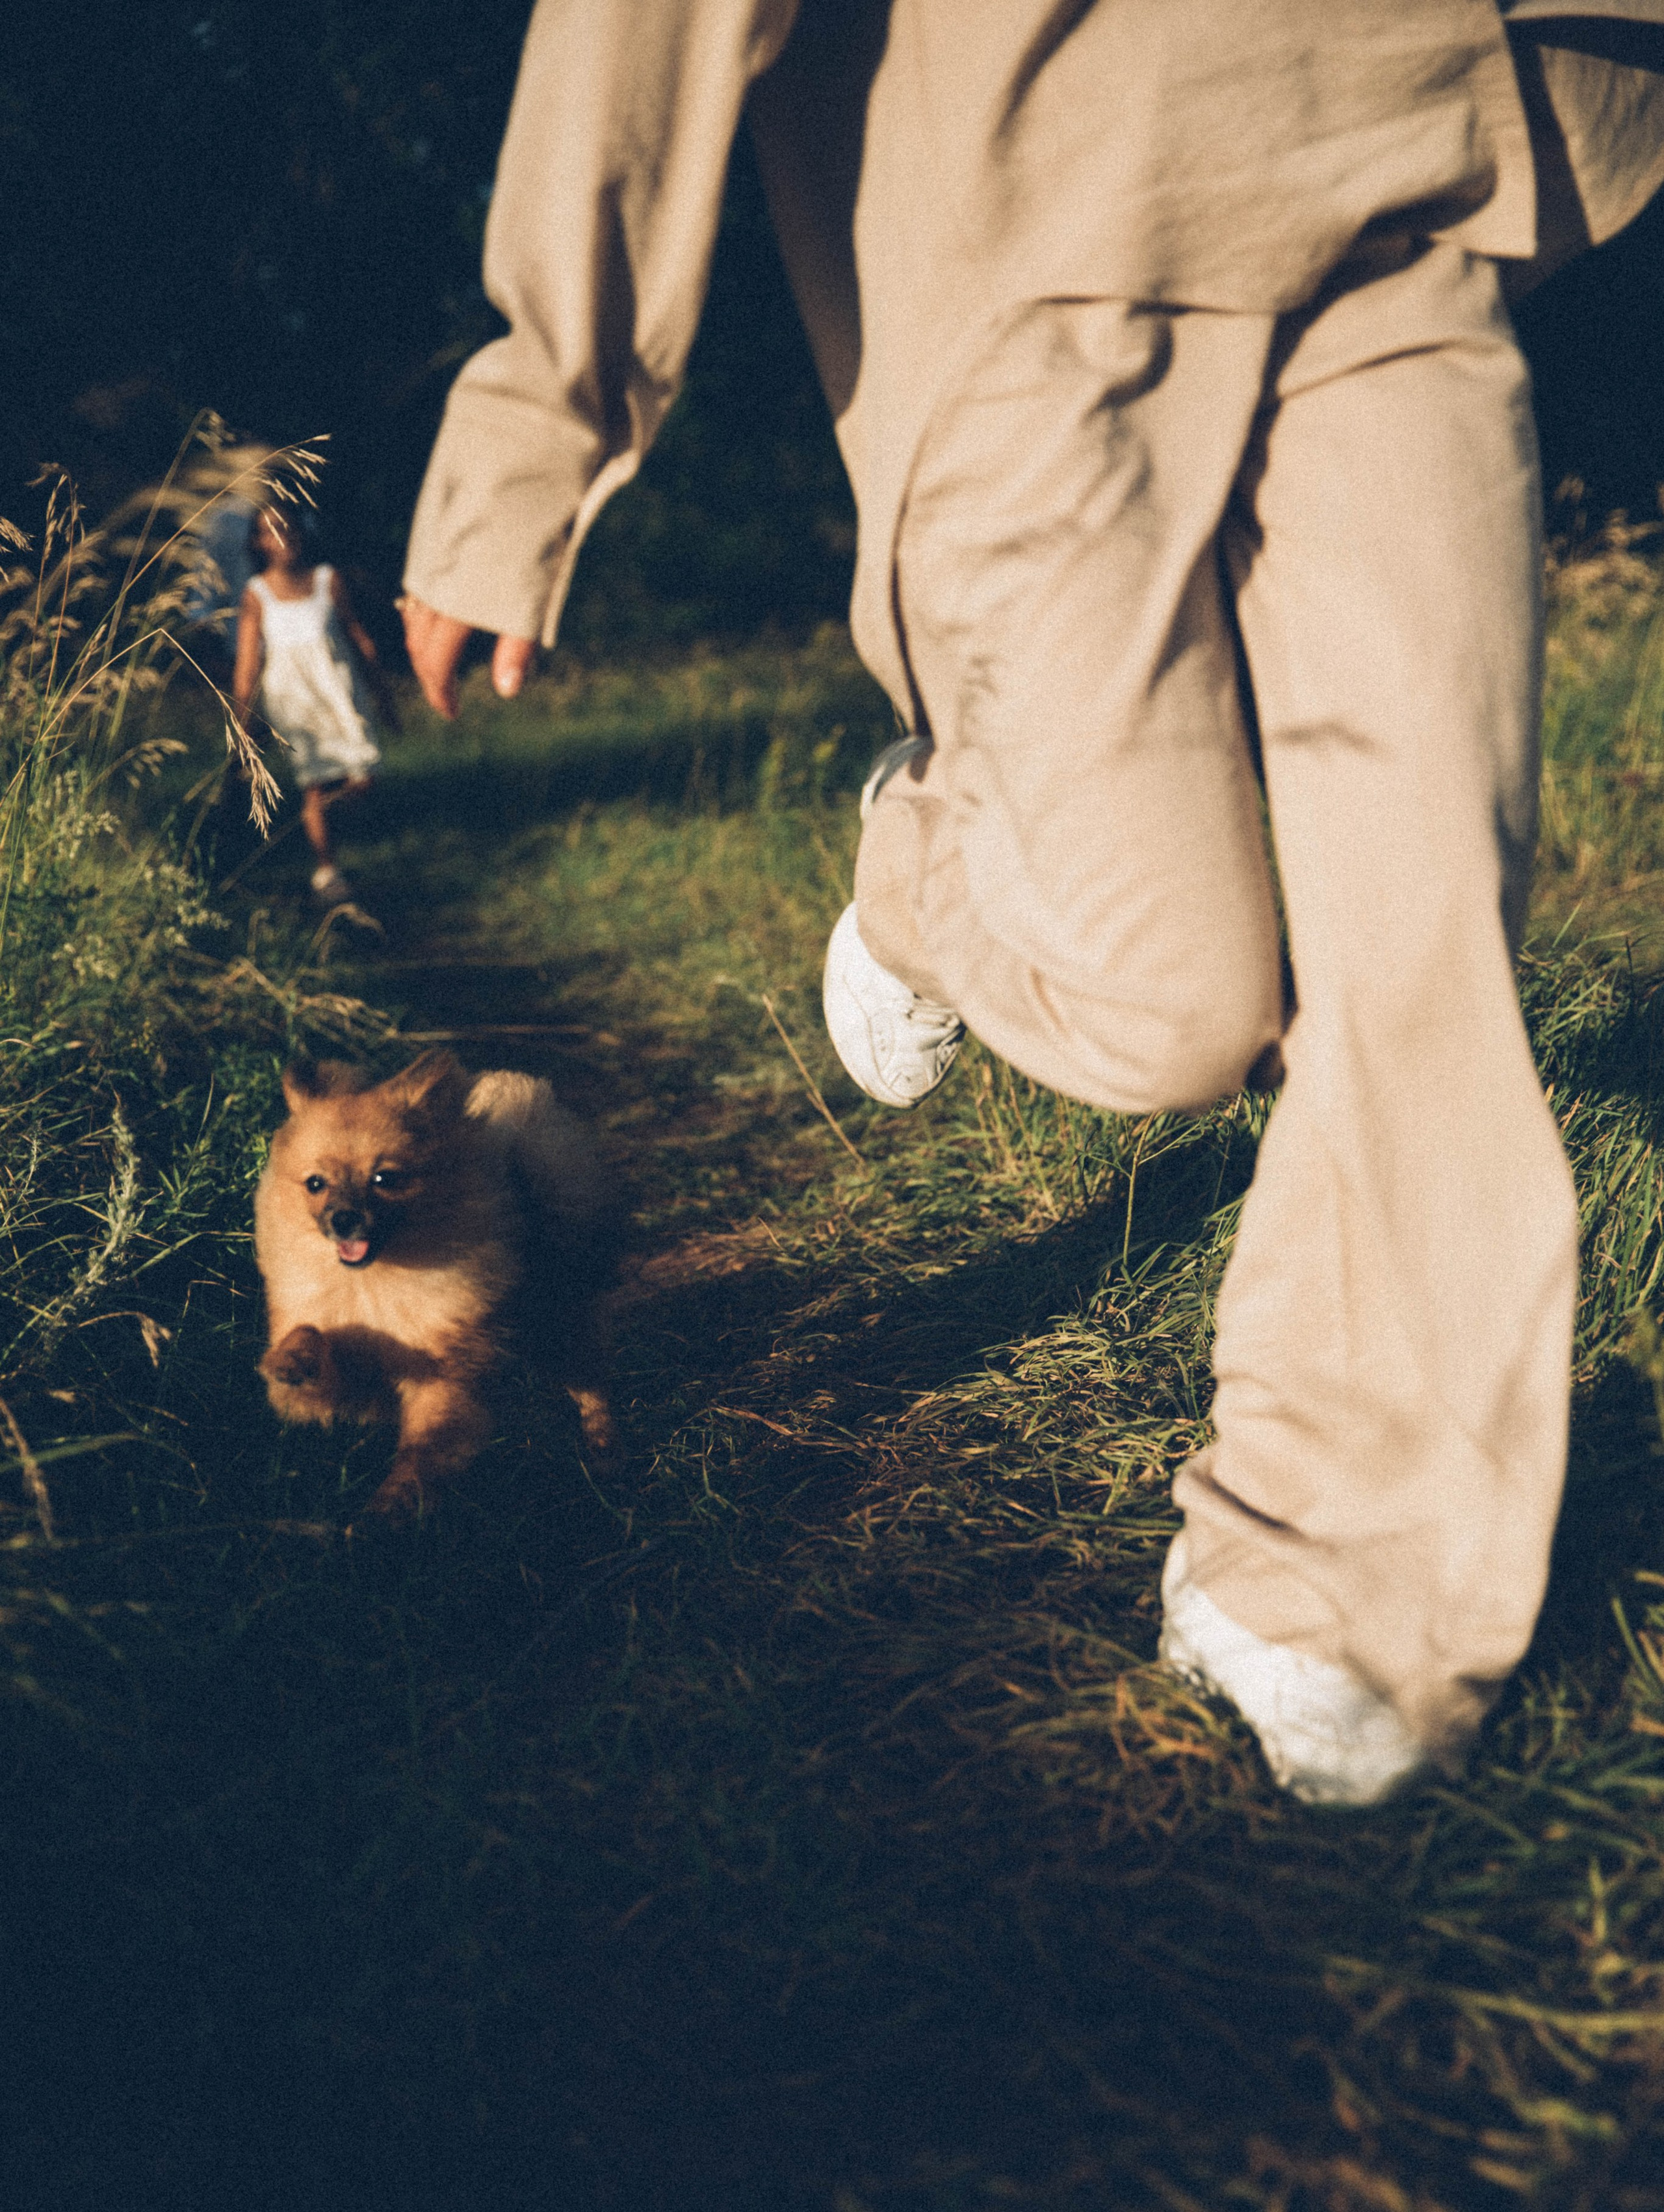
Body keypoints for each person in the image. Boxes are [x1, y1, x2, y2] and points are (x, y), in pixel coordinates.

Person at [399, 0, 1664, 1805]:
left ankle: (1321, 1558)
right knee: (1179, 1009)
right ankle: (927, 868)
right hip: (1037, 232)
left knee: (1423, 919)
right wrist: (545, 405)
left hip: (1408, 189)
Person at [233, 506, 396, 910]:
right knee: (315, 784)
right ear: (258, 542)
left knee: (364, 774)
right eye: (270, 531)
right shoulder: (257, 593)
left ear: (301, 532)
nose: (281, 537)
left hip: (341, 696)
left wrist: (383, 694)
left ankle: (326, 827)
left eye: (287, 527)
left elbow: (358, 637)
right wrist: (243, 722)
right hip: (294, 704)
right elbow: (248, 663)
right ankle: (327, 870)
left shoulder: (328, 580)